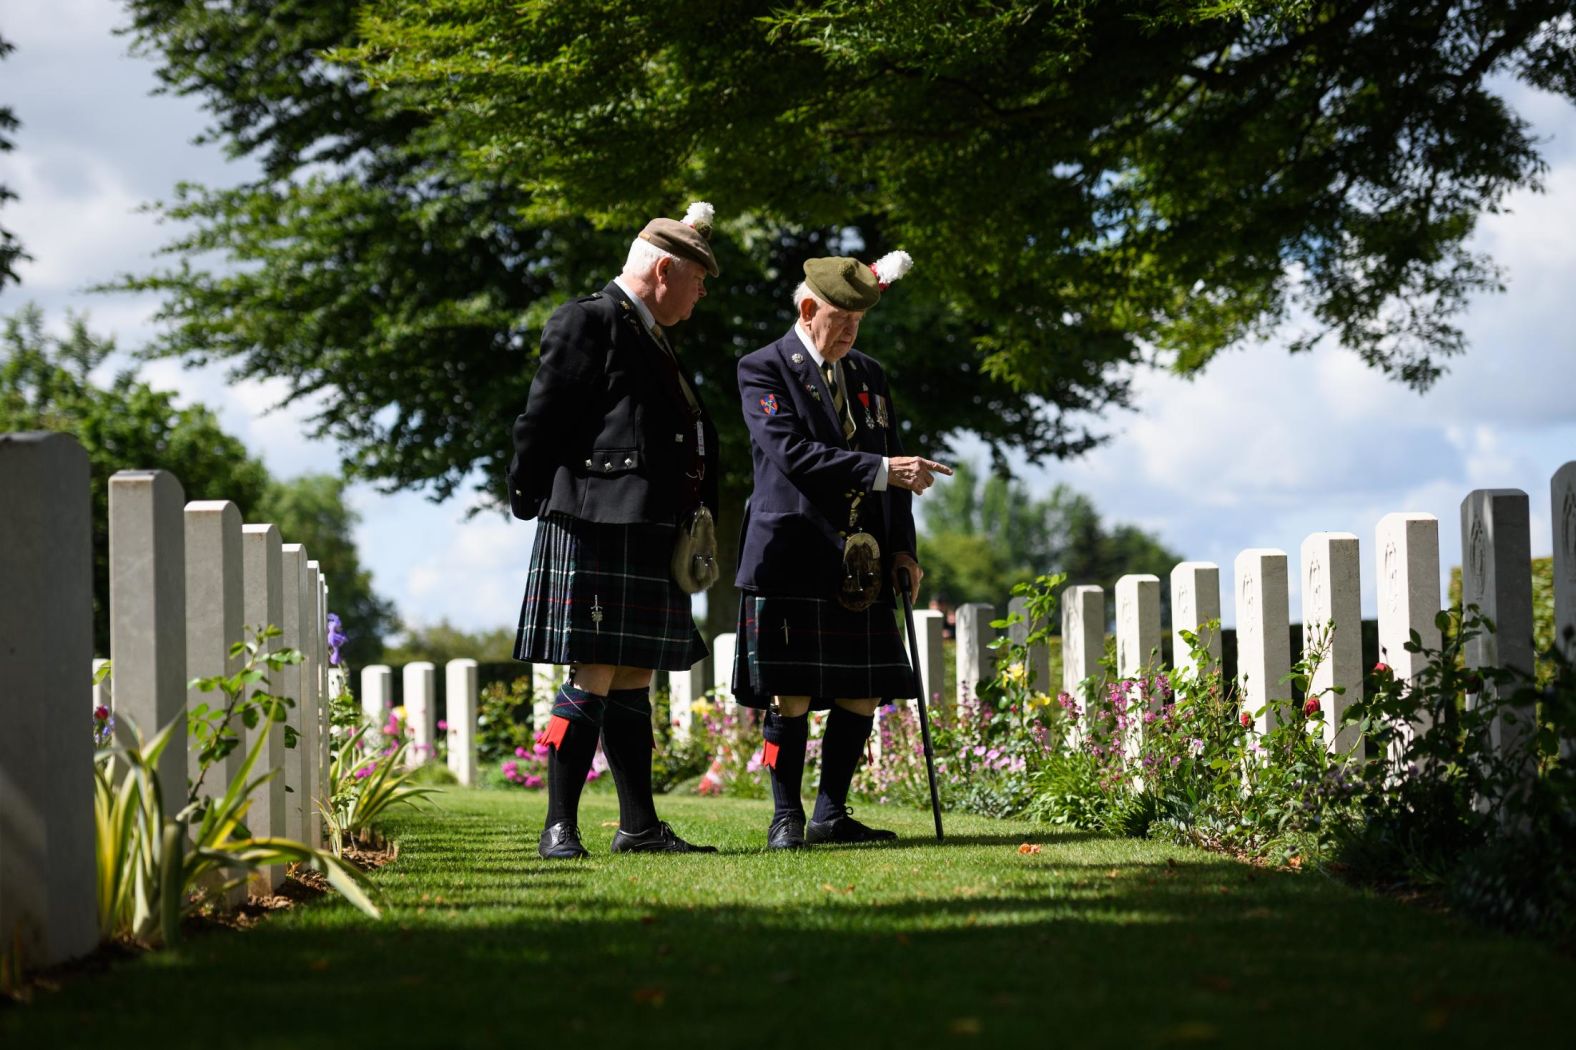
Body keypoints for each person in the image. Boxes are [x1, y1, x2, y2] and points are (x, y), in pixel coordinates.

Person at [508, 202, 722, 859]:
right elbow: (544, 414)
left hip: (647, 522)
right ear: (664, 269)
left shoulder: (652, 334)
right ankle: (558, 828)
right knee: (595, 669)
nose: (703, 292)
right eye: (698, 279)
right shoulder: (590, 320)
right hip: (597, 518)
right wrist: (527, 492)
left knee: (634, 674)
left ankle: (638, 827)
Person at [732, 251, 953, 848]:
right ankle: (786, 816)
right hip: (793, 549)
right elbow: (792, 454)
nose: (851, 333)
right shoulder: (763, 369)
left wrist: (903, 550)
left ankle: (831, 812)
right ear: (807, 309)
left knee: (863, 689)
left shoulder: (869, 374)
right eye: (841, 319)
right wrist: (883, 468)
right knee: (793, 690)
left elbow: (898, 473)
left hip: (863, 558)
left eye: (859, 322)